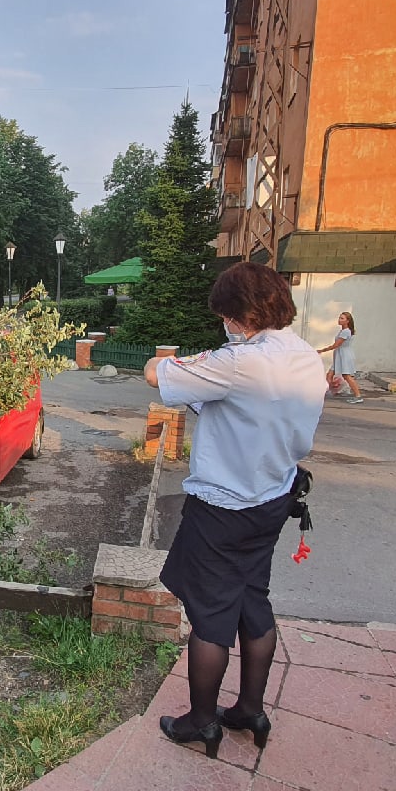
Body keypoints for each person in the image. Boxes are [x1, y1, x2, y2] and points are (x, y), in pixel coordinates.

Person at [142, 262, 326, 758]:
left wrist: (176, 363)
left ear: (237, 315)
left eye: (225, 314)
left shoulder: (237, 361)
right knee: (252, 600)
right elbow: (252, 415)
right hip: (273, 499)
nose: (223, 322)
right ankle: (250, 709)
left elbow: (157, 375)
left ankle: (202, 722)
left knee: (210, 615)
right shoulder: (306, 356)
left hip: (223, 507)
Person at [316, 311, 362, 404]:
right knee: (330, 373)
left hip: (344, 355)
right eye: (339, 318)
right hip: (339, 355)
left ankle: (358, 395)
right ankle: (327, 392)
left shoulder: (346, 332)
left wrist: (322, 350)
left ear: (347, 321)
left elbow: (336, 345)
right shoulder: (343, 331)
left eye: (342, 318)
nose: (339, 320)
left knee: (346, 376)